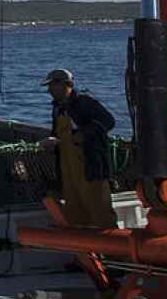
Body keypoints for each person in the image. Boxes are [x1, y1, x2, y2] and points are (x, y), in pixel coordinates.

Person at [43, 68, 118, 229]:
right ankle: (86, 250)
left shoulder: (85, 103)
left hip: (90, 167)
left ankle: (113, 250)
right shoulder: (57, 108)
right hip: (68, 168)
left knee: (100, 210)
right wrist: (52, 143)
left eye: (53, 85)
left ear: (67, 85)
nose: (49, 90)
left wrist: (84, 134)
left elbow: (109, 121)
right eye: (48, 86)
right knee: (75, 211)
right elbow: (59, 134)